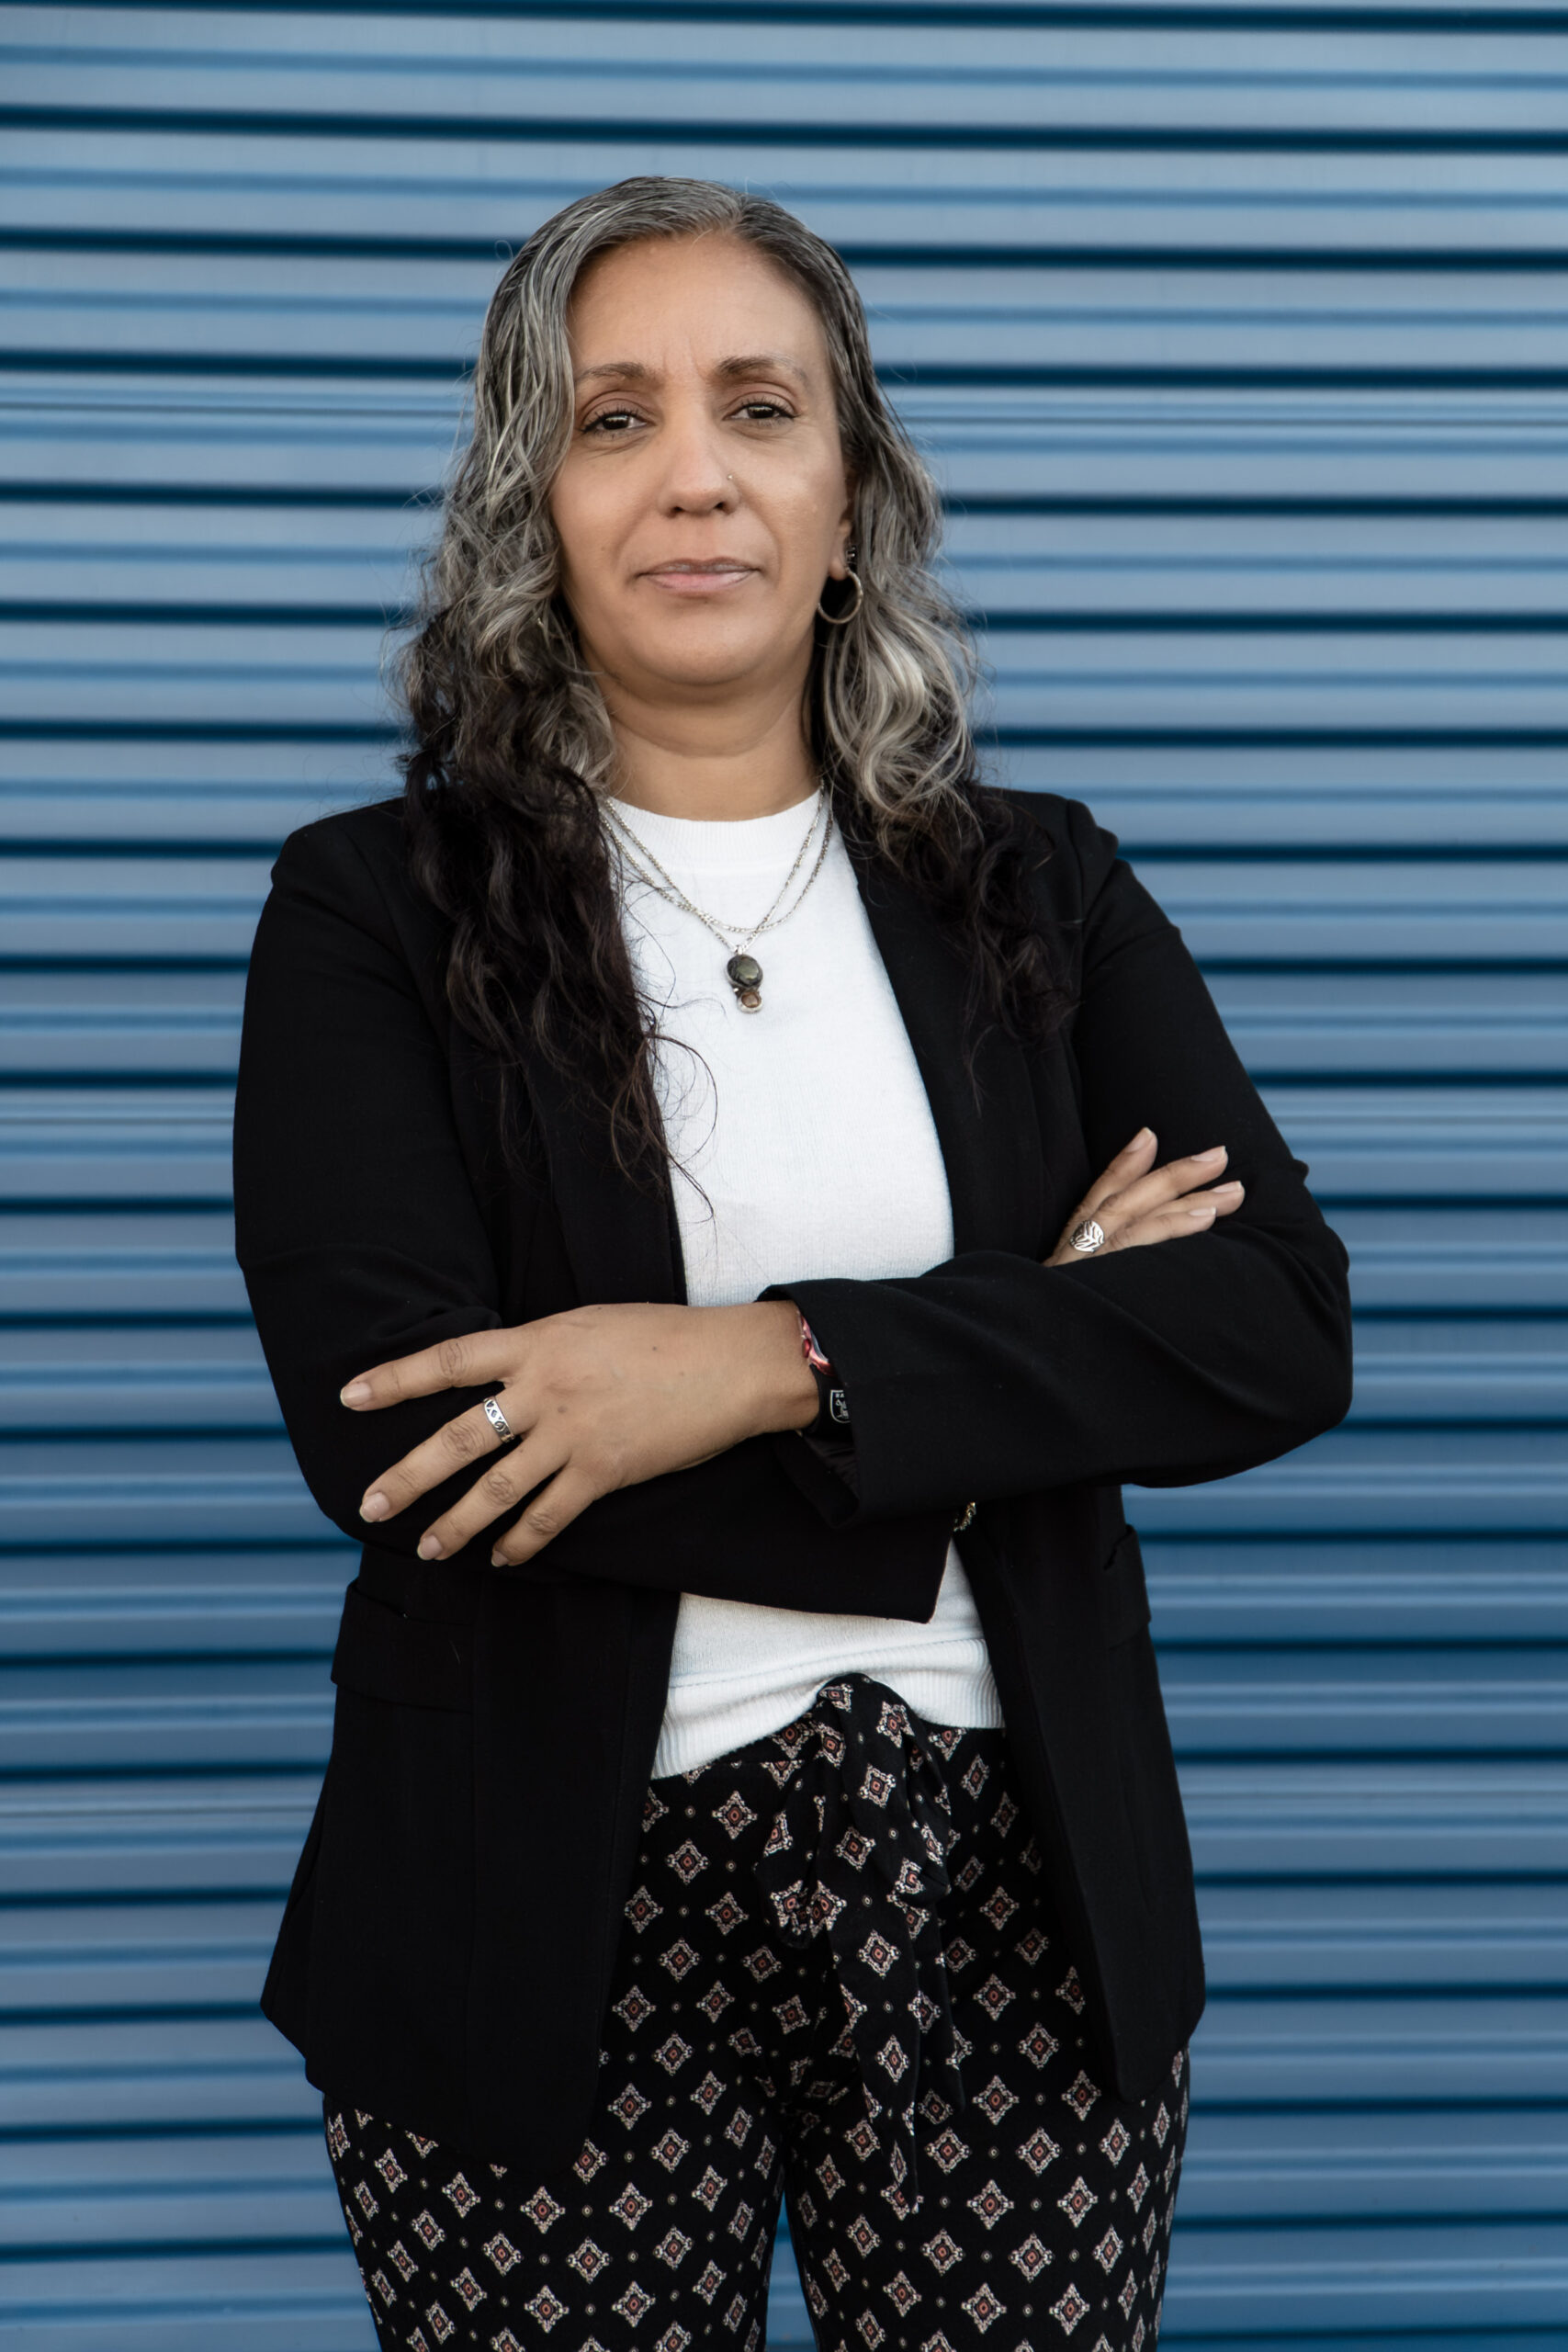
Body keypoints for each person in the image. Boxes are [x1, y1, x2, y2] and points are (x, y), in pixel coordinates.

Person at [233, 176, 1352, 2352]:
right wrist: (1021, 1354)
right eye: (613, 416)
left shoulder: (1037, 887)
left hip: (1013, 1883)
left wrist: (764, 1363)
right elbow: (407, 1436)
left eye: (759, 407)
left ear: (848, 500)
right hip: (530, 1892)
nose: (695, 475)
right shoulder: (372, 910)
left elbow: (1266, 1325)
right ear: (529, 501)